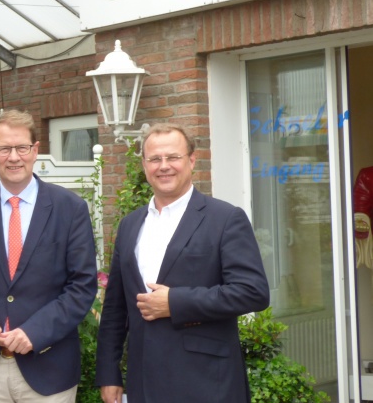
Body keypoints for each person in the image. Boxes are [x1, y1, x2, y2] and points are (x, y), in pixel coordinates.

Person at [95, 122, 270, 403]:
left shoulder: (225, 219)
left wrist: (175, 302)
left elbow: (253, 292)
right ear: (144, 165)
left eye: (173, 157)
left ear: (191, 160)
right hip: (144, 381)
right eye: (155, 159)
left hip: (206, 381)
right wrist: (108, 373)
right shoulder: (130, 225)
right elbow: (116, 307)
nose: (164, 166)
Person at [0, 109, 98, 402]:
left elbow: (82, 286)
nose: (14, 157)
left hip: (49, 368)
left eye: (22, 147)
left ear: (35, 150)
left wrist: (35, 332)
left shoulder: (69, 208)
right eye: (4, 148)